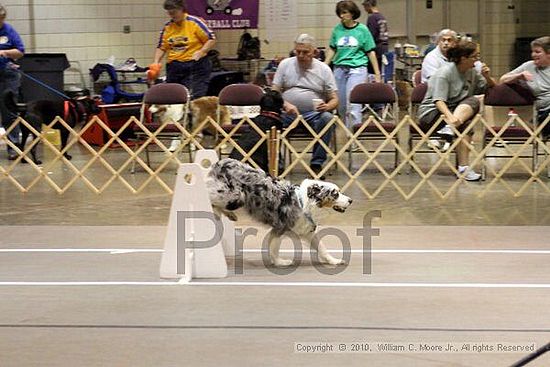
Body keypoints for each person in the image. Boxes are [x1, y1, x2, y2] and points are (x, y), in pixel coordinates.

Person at [417, 40, 497, 181]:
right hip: (433, 114)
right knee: (470, 109)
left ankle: (463, 168)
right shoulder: (445, 72)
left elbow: (492, 88)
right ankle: (451, 127)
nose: (477, 60)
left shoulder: (472, 72)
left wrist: (487, 76)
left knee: (472, 109)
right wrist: (450, 117)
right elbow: (438, 101)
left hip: (454, 114)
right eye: (475, 56)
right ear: (463, 58)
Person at [272, 34, 339, 177]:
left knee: (327, 119)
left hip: (314, 114)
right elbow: (273, 93)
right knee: (269, 119)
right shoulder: (285, 64)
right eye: (297, 52)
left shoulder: (324, 69)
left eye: (305, 52)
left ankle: (316, 164)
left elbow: (334, 99)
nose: (301, 55)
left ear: (315, 52)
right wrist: (284, 104)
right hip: (287, 113)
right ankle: (277, 164)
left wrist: (327, 107)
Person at [326, 1, 380, 130]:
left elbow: (370, 52)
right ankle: (347, 131)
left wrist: (377, 73)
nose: (341, 16)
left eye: (344, 13)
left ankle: (354, 138)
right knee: (342, 105)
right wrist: (324, 66)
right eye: (340, 13)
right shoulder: (337, 29)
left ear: (352, 13)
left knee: (353, 104)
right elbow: (332, 49)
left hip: (357, 68)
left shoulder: (362, 30)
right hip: (339, 68)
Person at [148, 0, 216, 99]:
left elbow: (211, 39)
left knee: (193, 97)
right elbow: (162, 47)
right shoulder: (167, 27)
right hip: (174, 67)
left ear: (181, 9)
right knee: (174, 97)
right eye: (169, 13)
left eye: (174, 12)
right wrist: (156, 62)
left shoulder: (194, 22)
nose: (172, 15)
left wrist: (202, 51)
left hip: (195, 65)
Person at [500, 36, 550, 136]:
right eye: (533, 51)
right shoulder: (528, 66)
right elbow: (502, 80)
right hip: (543, 110)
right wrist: (519, 76)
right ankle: (540, 127)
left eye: (537, 52)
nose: (533, 54)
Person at [0, 5, 24, 160]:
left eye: (1, 20)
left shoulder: (9, 30)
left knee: (9, 110)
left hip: (8, 74)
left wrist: (6, 52)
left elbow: (20, 51)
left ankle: (14, 147)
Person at [362, 0, 389, 77]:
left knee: (373, 75)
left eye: (365, 7)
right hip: (384, 49)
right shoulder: (381, 17)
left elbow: (370, 37)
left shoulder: (372, 18)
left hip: (376, 51)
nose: (365, 9)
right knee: (382, 73)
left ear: (368, 5)